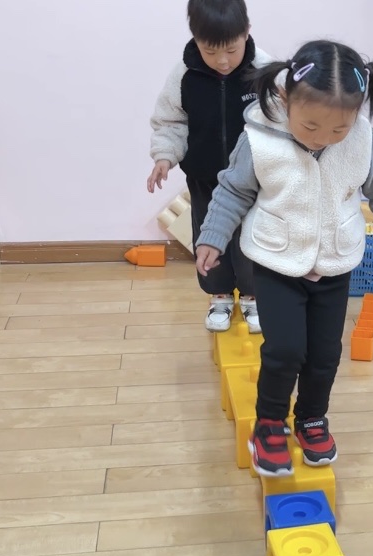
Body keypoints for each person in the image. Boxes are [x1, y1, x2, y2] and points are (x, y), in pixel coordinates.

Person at [195, 39, 373, 477]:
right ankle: (269, 423)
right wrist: (213, 237)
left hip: (334, 264)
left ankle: (312, 417)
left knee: (325, 354)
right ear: (285, 98)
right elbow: (233, 191)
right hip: (277, 263)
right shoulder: (260, 137)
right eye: (311, 125)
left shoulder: (362, 140)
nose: (323, 138)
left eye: (338, 130)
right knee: (285, 350)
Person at [147, 0, 271, 333]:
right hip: (205, 178)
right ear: (195, 38)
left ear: (247, 32)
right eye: (210, 51)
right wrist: (164, 156)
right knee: (209, 236)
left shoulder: (265, 71)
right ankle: (219, 295)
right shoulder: (184, 75)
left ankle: (253, 297)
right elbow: (171, 121)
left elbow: (282, 121)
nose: (222, 61)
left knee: (252, 238)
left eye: (231, 50)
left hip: (253, 180)